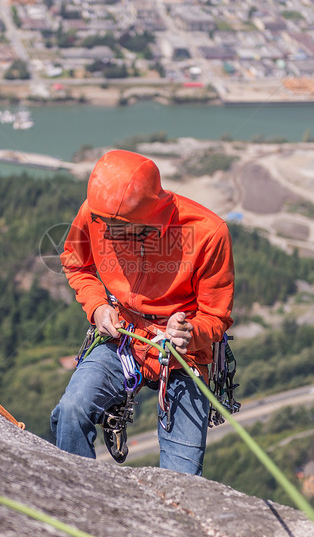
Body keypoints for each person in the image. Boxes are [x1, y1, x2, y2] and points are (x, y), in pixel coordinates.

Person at [51, 149, 234, 475]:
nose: (105, 233)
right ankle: (76, 498)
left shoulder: (208, 233)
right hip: (124, 336)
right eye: (101, 223)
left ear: (149, 218)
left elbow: (216, 317)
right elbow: (77, 263)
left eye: (117, 227)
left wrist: (189, 332)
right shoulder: (95, 214)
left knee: (183, 473)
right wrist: (98, 308)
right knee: (70, 411)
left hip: (184, 355)